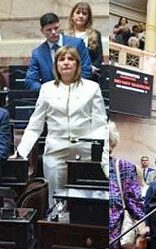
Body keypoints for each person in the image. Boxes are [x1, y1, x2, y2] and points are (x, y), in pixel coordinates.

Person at [16, 46, 107, 205]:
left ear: (78, 64)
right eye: (61, 59)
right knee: (56, 202)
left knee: (84, 203)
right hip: (56, 151)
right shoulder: (46, 89)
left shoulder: (92, 88)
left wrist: (100, 154)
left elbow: (99, 124)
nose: (66, 63)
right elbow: (35, 125)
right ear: (56, 65)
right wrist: (21, 152)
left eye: (70, 59)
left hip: (85, 151)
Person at [109, 121, 146, 249]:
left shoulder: (123, 167)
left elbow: (135, 203)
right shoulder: (83, 166)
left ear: (111, 143)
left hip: (113, 241)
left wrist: (142, 233)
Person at [24, 13, 92, 91]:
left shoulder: (77, 44)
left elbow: (86, 71)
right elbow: (30, 81)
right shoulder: (38, 53)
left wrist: (71, 88)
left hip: (76, 92)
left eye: (56, 28)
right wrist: (47, 91)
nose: (53, 32)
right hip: (51, 97)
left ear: (59, 26)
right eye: (49, 30)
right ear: (42, 31)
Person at [67, 2, 103, 76]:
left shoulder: (96, 34)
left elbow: (99, 57)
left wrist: (91, 68)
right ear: (72, 16)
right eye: (78, 12)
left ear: (88, 18)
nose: (81, 16)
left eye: (84, 14)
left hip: (89, 74)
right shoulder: (64, 34)